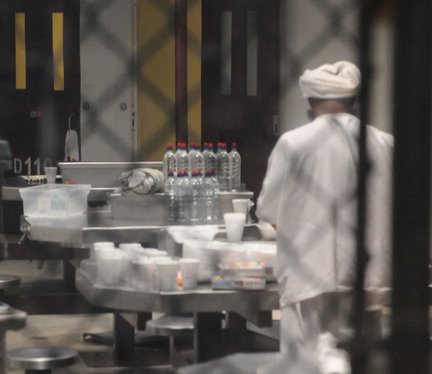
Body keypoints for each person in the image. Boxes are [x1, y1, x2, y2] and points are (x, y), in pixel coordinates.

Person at [255, 61, 393, 374]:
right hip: (367, 276)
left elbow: (269, 211)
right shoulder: (384, 142)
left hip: (310, 274)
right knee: (362, 359)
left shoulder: (295, 143)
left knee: (306, 363)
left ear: (310, 100)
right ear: (353, 100)